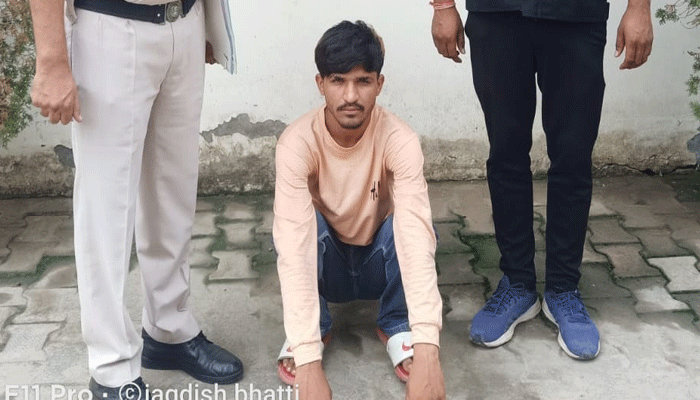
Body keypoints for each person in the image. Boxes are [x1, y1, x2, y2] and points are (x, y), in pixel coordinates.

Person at [28, 0, 244, 397]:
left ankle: (169, 328)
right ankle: (111, 365)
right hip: (110, 26)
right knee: (106, 210)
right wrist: (52, 61)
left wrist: (210, 23)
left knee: (173, 193)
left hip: (184, 22)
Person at [430, 0, 653, 360]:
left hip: (576, 17)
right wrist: (443, 6)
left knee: (573, 156)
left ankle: (563, 289)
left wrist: (639, 7)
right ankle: (517, 284)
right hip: (497, 15)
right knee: (506, 153)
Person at [273, 20, 445, 400]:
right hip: (328, 262)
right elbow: (295, 248)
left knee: (415, 227)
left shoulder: (400, 139)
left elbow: (415, 237)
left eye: (363, 81)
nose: (350, 95)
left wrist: (429, 350)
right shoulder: (296, 142)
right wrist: (308, 361)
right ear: (320, 83)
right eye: (338, 80)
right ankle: (310, 331)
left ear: (379, 84)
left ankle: (398, 324)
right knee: (293, 229)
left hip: (376, 262)